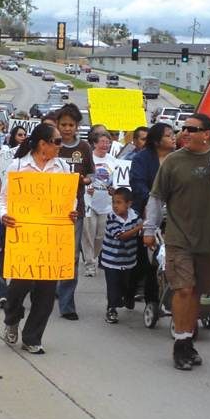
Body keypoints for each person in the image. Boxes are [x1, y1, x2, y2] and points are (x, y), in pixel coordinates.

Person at [143, 113, 210, 370]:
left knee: (196, 290)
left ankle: (187, 341)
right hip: (178, 237)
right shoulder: (173, 161)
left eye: (192, 129)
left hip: (209, 239)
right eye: (183, 128)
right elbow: (156, 197)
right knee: (183, 288)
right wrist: (149, 229)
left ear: (207, 133)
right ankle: (180, 342)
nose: (184, 132)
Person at [0, 122, 77, 354]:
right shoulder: (19, 166)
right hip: (24, 236)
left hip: (52, 237)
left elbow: (68, 198)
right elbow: (3, 199)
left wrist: (70, 212)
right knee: (18, 287)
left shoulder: (62, 166)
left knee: (46, 289)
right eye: (57, 142)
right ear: (43, 144)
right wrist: (4, 215)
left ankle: (32, 337)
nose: (61, 147)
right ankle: (12, 318)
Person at [54, 104, 94, 320]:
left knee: (71, 258)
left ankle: (67, 305)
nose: (67, 129)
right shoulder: (51, 145)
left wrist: (82, 180)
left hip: (74, 211)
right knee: (51, 254)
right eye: (63, 125)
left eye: (71, 125)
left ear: (77, 126)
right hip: (49, 211)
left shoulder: (85, 148)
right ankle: (47, 291)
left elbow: (93, 176)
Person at [128, 122, 174, 307]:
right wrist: (153, 201)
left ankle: (153, 300)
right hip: (147, 213)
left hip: (171, 215)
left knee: (160, 260)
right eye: (168, 135)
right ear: (156, 141)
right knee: (143, 261)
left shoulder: (176, 158)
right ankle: (130, 290)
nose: (173, 138)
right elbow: (137, 182)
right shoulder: (143, 158)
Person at [101, 187, 143, 324]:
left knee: (125, 284)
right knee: (113, 284)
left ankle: (126, 298)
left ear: (128, 204)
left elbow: (141, 232)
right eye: (113, 202)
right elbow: (122, 236)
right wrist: (139, 227)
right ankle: (112, 309)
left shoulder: (135, 216)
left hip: (128, 259)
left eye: (119, 203)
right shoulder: (111, 218)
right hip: (111, 259)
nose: (115, 206)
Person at [81, 130, 114, 278]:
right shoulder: (89, 159)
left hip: (106, 205)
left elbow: (117, 181)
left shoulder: (113, 160)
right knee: (88, 235)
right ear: (94, 143)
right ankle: (89, 264)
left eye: (107, 142)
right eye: (102, 142)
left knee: (100, 237)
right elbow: (83, 178)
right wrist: (87, 187)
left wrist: (114, 189)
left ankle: (94, 257)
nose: (105, 145)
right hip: (89, 204)